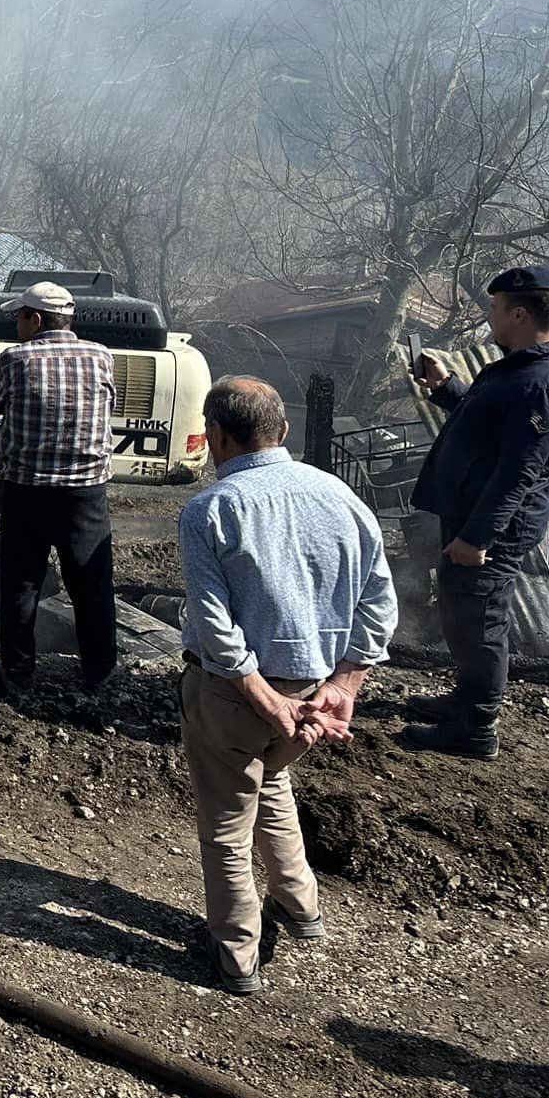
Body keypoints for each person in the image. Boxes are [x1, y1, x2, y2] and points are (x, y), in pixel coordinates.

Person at [177, 377, 396, 995]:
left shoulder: (212, 509)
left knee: (225, 820)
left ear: (217, 435)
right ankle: (301, 907)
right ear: (284, 430)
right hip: (315, 686)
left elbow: (215, 624)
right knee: (271, 777)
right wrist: (346, 681)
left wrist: (259, 694)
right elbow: (379, 601)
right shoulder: (339, 495)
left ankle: (237, 954)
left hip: (231, 692)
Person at [407, 264, 549, 759]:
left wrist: (478, 538)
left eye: (496, 310)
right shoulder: (520, 366)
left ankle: (476, 727)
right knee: (461, 610)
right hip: (473, 512)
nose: (491, 317)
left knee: (481, 619)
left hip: (493, 524)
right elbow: (492, 429)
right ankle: (465, 699)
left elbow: (519, 471)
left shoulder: (541, 380)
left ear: (519, 313)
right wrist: (448, 387)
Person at [0, 279, 119, 698]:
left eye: (19, 318)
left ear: (35, 319)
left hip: (27, 490)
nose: (16, 326)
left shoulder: (15, 360)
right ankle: (99, 671)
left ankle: (19, 674)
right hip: (86, 493)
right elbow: (108, 403)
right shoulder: (100, 357)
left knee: (22, 582)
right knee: (91, 583)